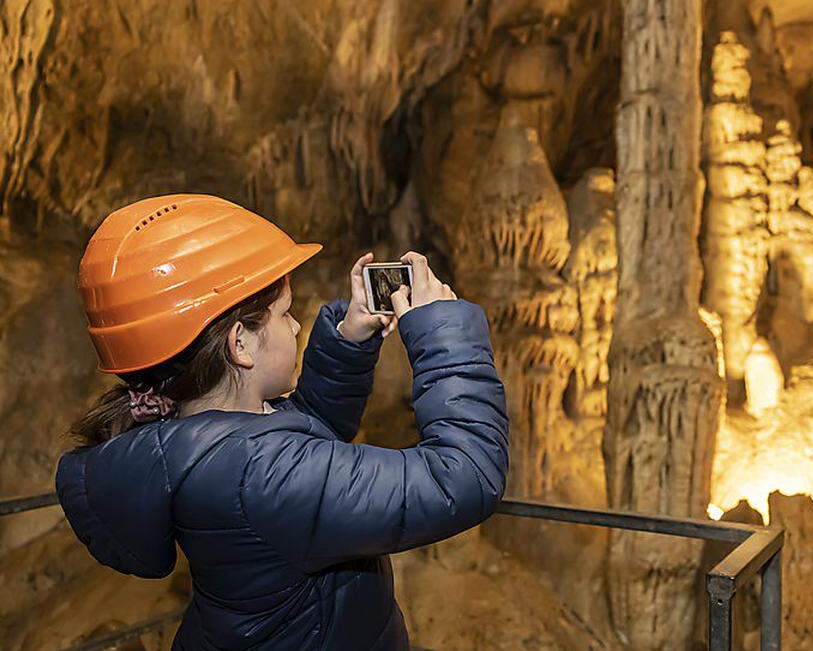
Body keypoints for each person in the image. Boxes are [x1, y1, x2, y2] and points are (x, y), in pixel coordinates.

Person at [55, 193, 508, 650]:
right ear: (240, 345)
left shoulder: (207, 443)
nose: (294, 327)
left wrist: (347, 340)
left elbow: (307, 432)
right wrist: (442, 332)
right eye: (285, 314)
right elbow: (464, 477)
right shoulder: (263, 473)